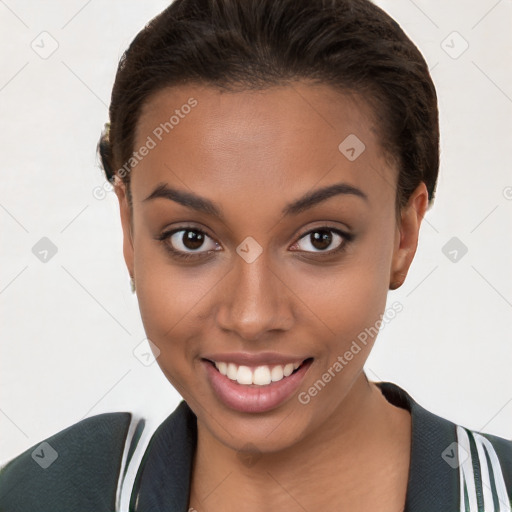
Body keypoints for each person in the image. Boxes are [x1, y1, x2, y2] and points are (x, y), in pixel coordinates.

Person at [1, 0, 511, 511]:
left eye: (320, 239)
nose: (252, 317)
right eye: (192, 239)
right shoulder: (45, 493)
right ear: (130, 231)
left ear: (404, 234)